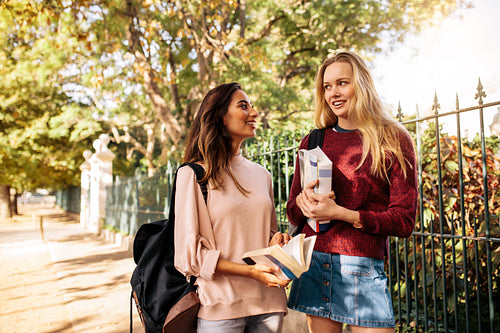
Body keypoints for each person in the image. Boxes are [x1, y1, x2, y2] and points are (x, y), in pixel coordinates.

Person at [286, 51, 418, 332]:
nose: (333, 92)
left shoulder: (393, 139)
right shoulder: (313, 140)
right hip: (315, 261)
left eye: (342, 83)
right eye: (327, 86)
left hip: (362, 267)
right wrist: (304, 201)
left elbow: (404, 221)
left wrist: (341, 213)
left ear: (362, 85)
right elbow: (293, 213)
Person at [174, 82, 291, 333]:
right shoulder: (193, 175)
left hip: (269, 303)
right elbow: (189, 256)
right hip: (220, 306)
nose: (254, 113)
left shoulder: (262, 175)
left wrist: (278, 241)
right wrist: (251, 272)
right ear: (219, 116)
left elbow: (269, 236)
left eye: (252, 106)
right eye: (243, 106)